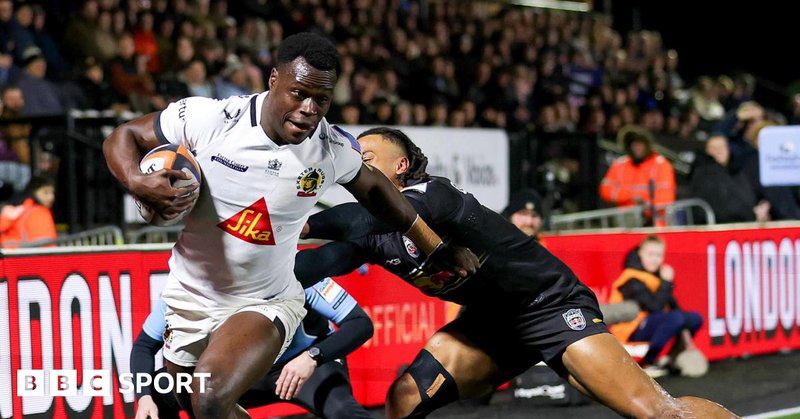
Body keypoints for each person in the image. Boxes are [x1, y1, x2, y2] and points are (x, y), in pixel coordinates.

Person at [103, 32, 477, 419]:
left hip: (266, 301)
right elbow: (124, 135)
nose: (309, 109)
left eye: (322, 100)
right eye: (299, 93)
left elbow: (382, 196)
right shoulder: (211, 118)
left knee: (210, 396)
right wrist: (135, 179)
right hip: (188, 295)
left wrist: (434, 246)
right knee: (197, 404)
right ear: (274, 80)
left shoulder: (330, 149)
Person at [300, 127, 737, 418]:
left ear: (399, 166)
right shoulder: (372, 235)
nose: (358, 161)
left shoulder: (433, 195)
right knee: (404, 397)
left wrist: (309, 222)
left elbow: (358, 219)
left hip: (549, 305)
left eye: (369, 154)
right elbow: (315, 264)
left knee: (656, 411)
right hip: (492, 324)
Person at [131, 276, 373, 419]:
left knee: (344, 412)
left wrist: (313, 357)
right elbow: (143, 346)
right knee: (157, 390)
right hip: (241, 374)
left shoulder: (293, 268)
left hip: (300, 368)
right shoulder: (186, 287)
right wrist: (143, 398)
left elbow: (360, 324)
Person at [608, 234, 707, 378]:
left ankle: (673, 356)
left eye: (659, 255)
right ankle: (647, 361)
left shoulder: (656, 275)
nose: (654, 259)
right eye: (650, 254)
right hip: (630, 329)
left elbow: (673, 305)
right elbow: (654, 306)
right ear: (640, 253)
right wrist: (666, 283)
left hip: (651, 322)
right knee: (675, 318)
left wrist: (686, 338)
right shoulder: (631, 277)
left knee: (694, 318)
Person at [600, 124, 676, 227]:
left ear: (647, 145)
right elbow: (605, 190)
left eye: (640, 144)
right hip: (626, 221)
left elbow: (667, 196)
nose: (637, 148)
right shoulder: (620, 165)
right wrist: (630, 196)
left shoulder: (661, 165)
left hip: (654, 222)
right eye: (634, 144)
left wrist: (645, 204)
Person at [0, 175, 56, 247]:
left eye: (52, 193)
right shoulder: (30, 210)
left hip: (18, 254)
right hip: (21, 255)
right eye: (46, 192)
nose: (51, 197)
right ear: (34, 192)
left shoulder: (41, 211)